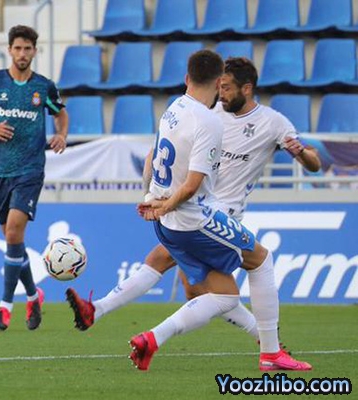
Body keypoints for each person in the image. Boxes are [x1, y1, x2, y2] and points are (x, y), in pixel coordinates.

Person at [69, 53, 314, 371]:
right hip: (197, 213)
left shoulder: (178, 109)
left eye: (228, 88)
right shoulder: (209, 118)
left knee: (191, 280)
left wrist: (152, 198)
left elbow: (153, 158)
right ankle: (268, 348)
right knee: (255, 264)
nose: (222, 93)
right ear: (215, 81)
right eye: (221, 86)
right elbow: (192, 183)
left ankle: (107, 315)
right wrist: (164, 203)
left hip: (185, 212)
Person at [0, 25, 68, 331]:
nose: (22, 53)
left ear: (35, 51)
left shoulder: (43, 87)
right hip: (0, 171)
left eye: (28, 48)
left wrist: (61, 134)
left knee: (12, 233)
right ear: (9, 50)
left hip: (30, 170)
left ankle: (5, 307)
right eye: (18, 48)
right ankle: (34, 296)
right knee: (14, 240)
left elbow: (60, 113)